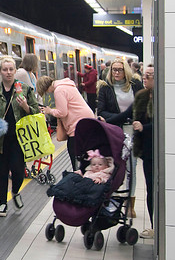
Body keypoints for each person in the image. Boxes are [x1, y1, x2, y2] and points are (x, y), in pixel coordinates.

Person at [0, 56, 40, 217]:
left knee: (18, 171)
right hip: (0, 141)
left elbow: (37, 112)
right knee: (2, 172)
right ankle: (2, 204)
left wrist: (26, 107)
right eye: (4, 69)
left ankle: (15, 191)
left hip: (20, 139)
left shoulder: (25, 89)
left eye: (11, 69)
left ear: (15, 71)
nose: (8, 72)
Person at [96, 59, 143, 217]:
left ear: (126, 71)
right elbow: (101, 111)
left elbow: (142, 106)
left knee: (131, 168)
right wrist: (121, 117)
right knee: (114, 166)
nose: (116, 72)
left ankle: (130, 203)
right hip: (114, 132)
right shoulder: (105, 88)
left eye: (119, 70)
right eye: (114, 70)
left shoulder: (135, 85)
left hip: (132, 131)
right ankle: (109, 198)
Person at [36, 74, 95, 171]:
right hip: (86, 119)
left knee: (74, 151)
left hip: (78, 123)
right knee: (83, 151)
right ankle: (85, 173)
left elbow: (62, 112)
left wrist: (49, 111)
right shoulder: (66, 85)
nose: (47, 93)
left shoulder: (58, 90)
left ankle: (80, 174)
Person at [133, 64, 155, 238]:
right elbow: (127, 113)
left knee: (159, 189)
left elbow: (164, 123)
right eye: (144, 75)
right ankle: (155, 225)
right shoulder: (142, 96)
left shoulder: (165, 98)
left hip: (160, 151)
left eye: (149, 76)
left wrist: (144, 127)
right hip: (147, 151)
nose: (144, 78)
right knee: (150, 189)